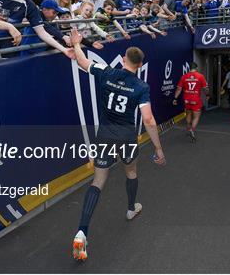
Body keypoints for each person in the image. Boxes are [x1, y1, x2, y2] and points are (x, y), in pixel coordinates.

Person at [68, 28, 166, 261]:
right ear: (140, 65)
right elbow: (148, 119)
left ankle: (82, 231)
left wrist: (77, 44)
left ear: (124, 60)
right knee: (131, 171)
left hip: (105, 136)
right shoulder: (141, 88)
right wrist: (158, 148)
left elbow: (82, 62)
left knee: (98, 180)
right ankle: (131, 208)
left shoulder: (107, 72)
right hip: (127, 138)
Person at [173, 61, 209, 142]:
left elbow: (179, 89)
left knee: (188, 114)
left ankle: (189, 128)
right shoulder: (200, 76)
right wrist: (207, 95)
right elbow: (205, 89)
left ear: (189, 68)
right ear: (196, 68)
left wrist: (175, 98)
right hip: (196, 100)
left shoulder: (184, 76)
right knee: (196, 117)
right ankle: (192, 130)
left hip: (186, 100)